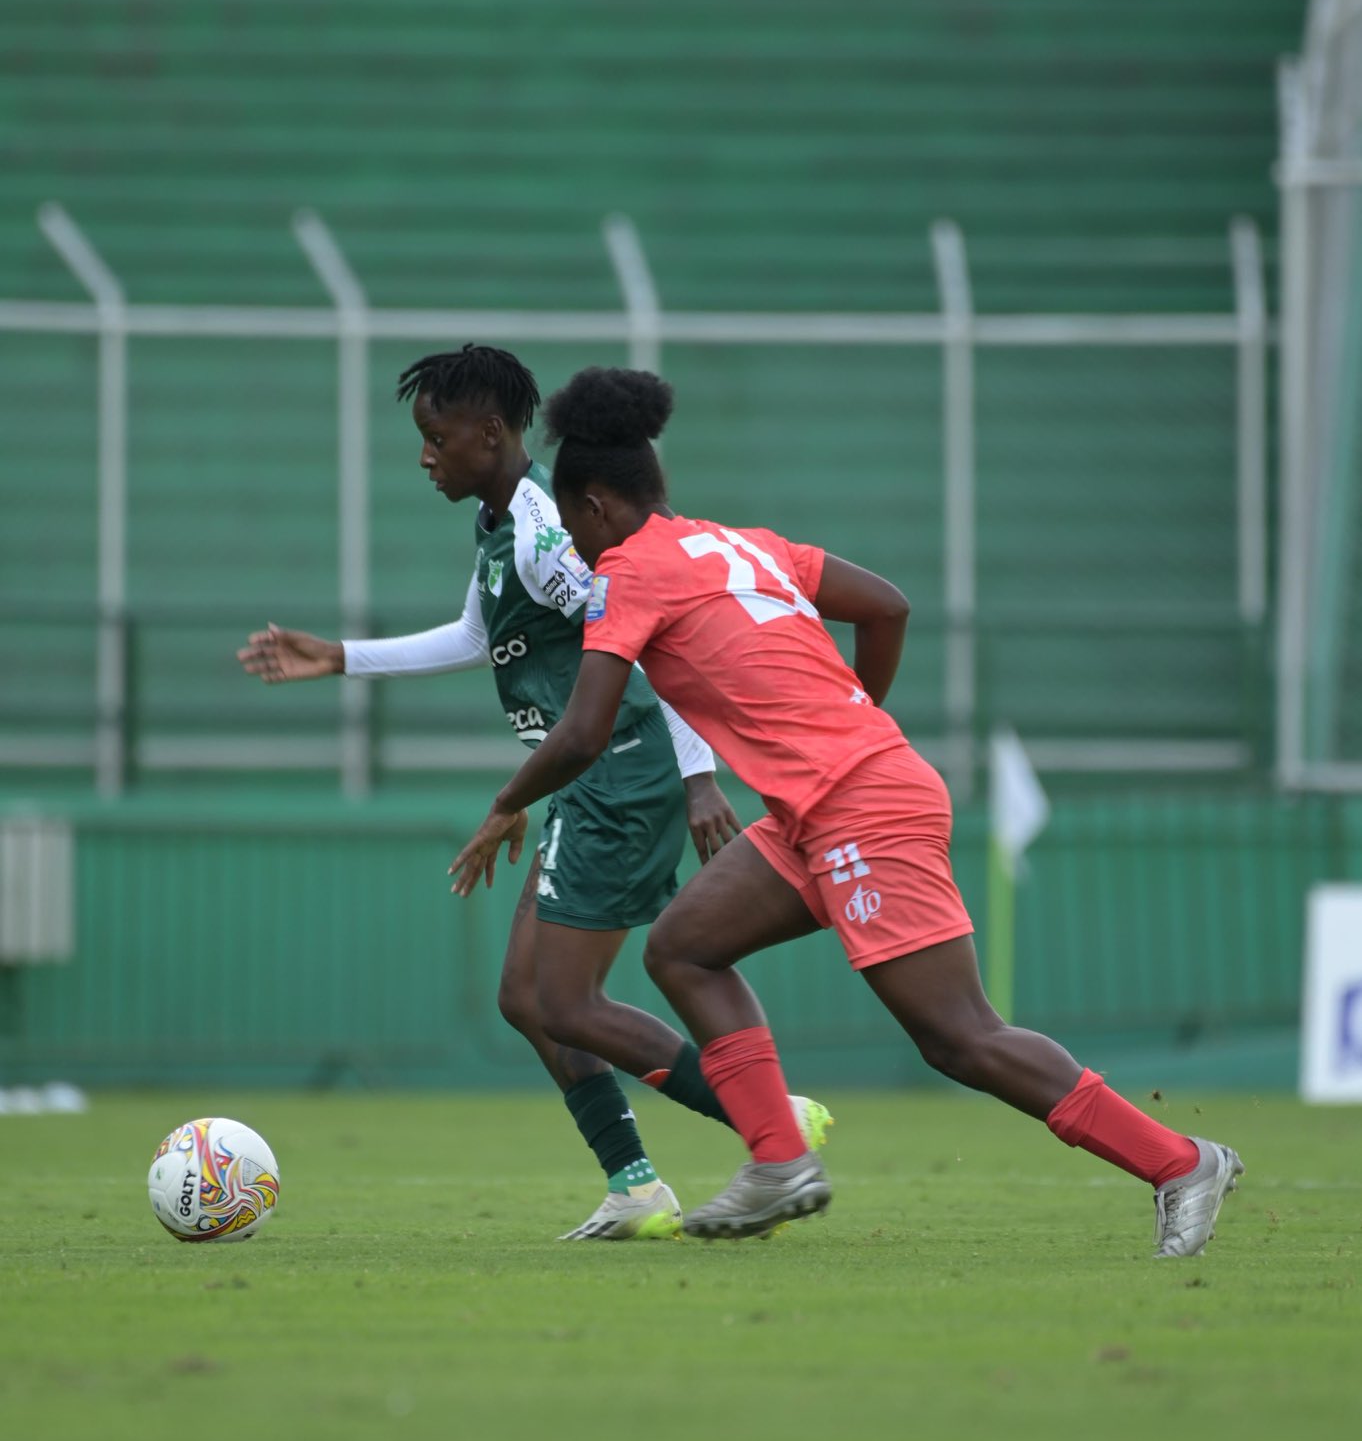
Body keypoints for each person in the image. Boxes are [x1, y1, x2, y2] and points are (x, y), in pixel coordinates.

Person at [452, 365, 1244, 1258]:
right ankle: (779, 1160)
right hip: (833, 797)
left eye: (578, 531)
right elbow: (887, 606)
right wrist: (856, 718)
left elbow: (583, 732)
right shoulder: (747, 545)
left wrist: (505, 804)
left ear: (595, 506)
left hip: (860, 803)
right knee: (684, 947)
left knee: (959, 1036)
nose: (580, 551)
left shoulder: (628, 571)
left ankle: (1180, 1162)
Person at [238, 345, 827, 1242]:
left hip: (620, 772)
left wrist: (699, 772)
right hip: (588, 777)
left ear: (489, 433)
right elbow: (479, 635)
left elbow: (657, 627)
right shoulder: (502, 522)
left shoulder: (546, 535)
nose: (425, 456)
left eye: (436, 438)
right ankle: (636, 1185)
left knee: (564, 1001)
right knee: (527, 996)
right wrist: (342, 658)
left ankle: (770, 1123)